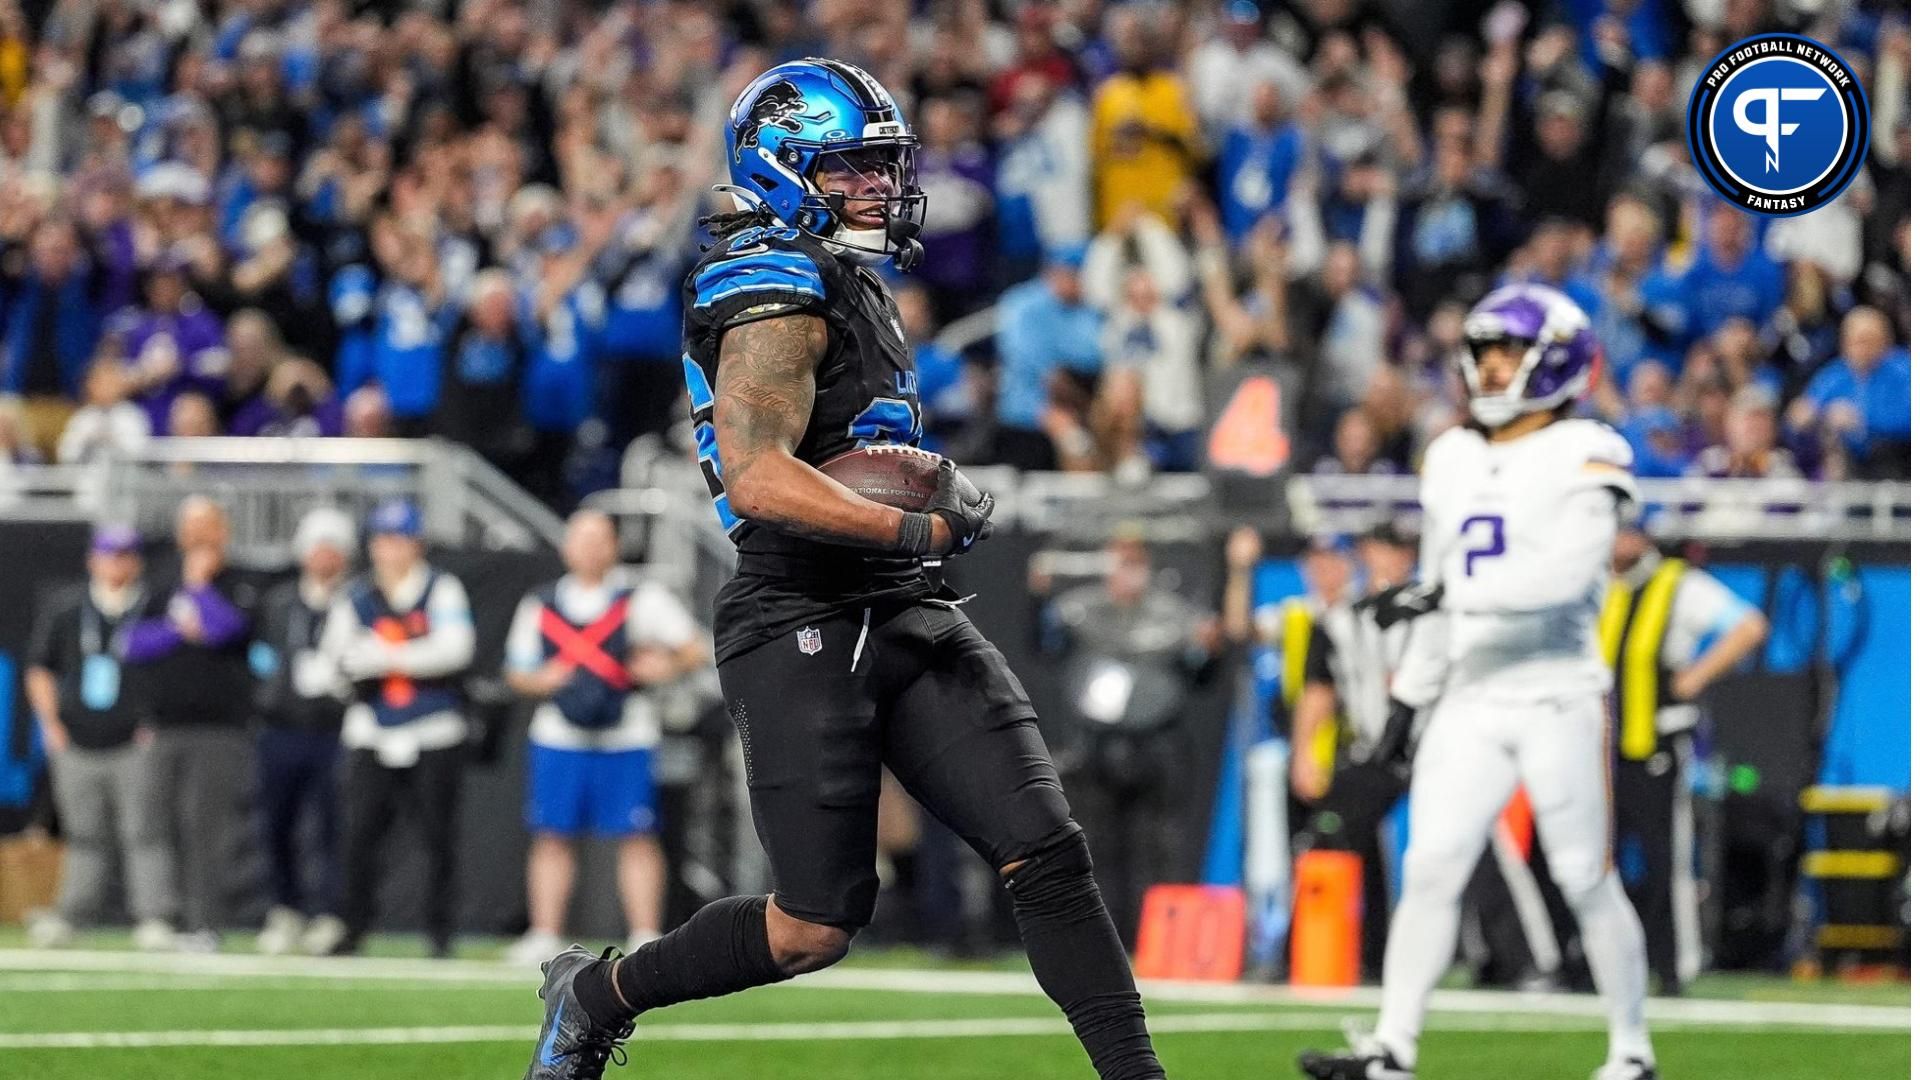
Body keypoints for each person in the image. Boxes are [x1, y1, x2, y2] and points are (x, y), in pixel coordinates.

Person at [523, 59, 1169, 1080]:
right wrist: (913, 528)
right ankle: (595, 996)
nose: (879, 187)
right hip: (798, 610)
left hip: (900, 604)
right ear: (786, 168)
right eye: (855, 167)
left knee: (1046, 851)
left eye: (882, 166)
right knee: (813, 927)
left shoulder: (846, 276)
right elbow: (761, 478)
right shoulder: (769, 278)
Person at [1299, 284, 1657, 1080]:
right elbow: (1436, 582)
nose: (1492, 368)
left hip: (1558, 693)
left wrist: (1446, 596)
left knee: (1582, 877)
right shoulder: (1453, 454)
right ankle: (1393, 1048)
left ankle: (1632, 1050)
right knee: (1431, 865)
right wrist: (1406, 698)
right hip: (1469, 692)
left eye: (1509, 353)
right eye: (1484, 352)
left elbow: (1567, 578)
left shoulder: (1588, 449)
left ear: (1556, 360)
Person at [503, 509, 707, 964]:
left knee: (636, 834)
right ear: (566, 547)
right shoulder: (542, 602)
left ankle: (645, 932)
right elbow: (517, 672)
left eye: (600, 539)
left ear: (614, 547)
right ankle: (545, 931)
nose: (591, 548)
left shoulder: (642, 599)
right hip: (559, 734)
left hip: (626, 734)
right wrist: (544, 679)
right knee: (552, 833)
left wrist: (664, 667)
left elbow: (693, 648)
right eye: (582, 538)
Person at [1603, 519, 1767, 996]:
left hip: (1655, 741)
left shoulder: (1676, 583)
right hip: (1597, 748)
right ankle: (1594, 961)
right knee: (1593, 859)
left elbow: (1749, 626)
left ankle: (1674, 964)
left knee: (1663, 856)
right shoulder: (1594, 581)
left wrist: (1694, 678)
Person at [319, 498, 476, 958]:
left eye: (399, 539)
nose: (390, 550)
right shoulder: (357, 596)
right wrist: (355, 665)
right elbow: (336, 658)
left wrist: (387, 656)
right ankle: (353, 925)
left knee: (437, 837)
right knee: (360, 835)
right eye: (383, 540)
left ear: (416, 544)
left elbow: (455, 649)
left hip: (433, 729)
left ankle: (440, 931)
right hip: (373, 726)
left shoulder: (441, 589)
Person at [24, 525, 177, 951]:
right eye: (110, 554)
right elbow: (40, 669)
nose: (117, 563)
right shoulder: (69, 609)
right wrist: (52, 725)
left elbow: (173, 670)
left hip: (135, 739)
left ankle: (153, 914)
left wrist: (156, 720)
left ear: (137, 561)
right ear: (93, 558)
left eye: (126, 554)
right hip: (78, 739)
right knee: (83, 834)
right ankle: (74, 913)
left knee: (144, 831)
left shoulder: (153, 608)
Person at [118, 497, 257, 951]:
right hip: (163, 726)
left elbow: (226, 631)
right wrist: (181, 630)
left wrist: (198, 588)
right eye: (190, 527)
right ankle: (162, 916)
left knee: (206, 830)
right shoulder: (160, 581)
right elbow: (133, 641)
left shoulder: (239, 580)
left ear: (223, 531)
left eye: (206, 526)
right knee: (156, 827)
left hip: (217, 729)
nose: (197, 536)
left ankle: (204, 923)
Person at [249, 507, 356, 957]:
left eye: (332, 548)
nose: (323, 556)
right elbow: (259, 657)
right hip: (282, 728)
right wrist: (269, 694)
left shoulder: (355, 602)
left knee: (332, 826)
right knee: (278, 823)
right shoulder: (278, 603)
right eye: (317, 547)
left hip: (335, 729)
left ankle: (329, 912)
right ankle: (284, 908)